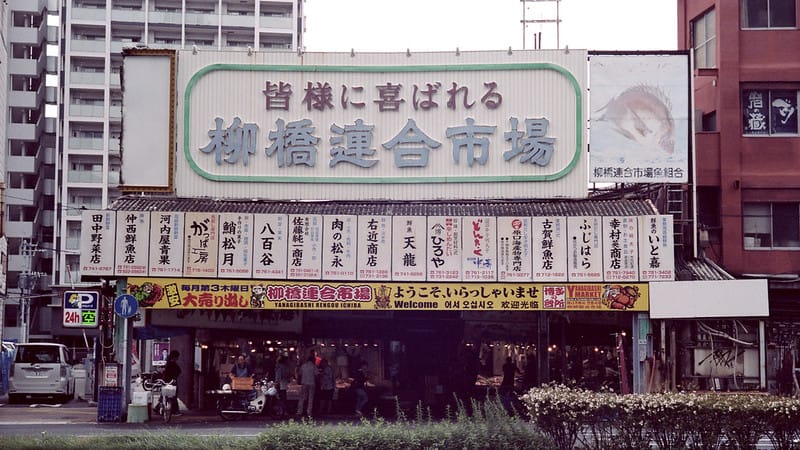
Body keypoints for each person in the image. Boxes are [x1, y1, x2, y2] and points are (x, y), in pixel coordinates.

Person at [162, 350, 182, 416]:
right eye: (177, 357)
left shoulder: (168, 363)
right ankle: (174, 411)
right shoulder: (172, 364)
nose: (177, 359)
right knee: (173, 396)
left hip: (166, 381)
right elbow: (178, 371)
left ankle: (159, 407)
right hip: (172, 381)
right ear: (175, 357)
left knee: (165, 395)